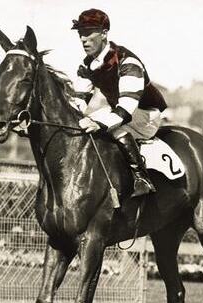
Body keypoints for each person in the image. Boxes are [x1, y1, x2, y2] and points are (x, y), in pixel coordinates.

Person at [70, 8, 168, 197]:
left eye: (89, 32)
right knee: (85, 121)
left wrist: (97, 123)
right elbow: (79, 101)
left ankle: (142, 178)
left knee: (106, 124)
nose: (83, 39)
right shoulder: (87, 64)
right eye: (81, 33)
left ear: (104, 33)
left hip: (146, 114)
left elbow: (125, 110)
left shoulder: (128, 62)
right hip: (122, 112)